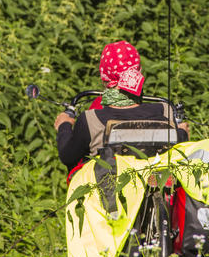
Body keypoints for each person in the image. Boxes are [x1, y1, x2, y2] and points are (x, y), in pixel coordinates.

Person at [54, 40, 189, 173]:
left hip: (109, 193)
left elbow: (68, 157)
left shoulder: (90, 120)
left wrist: (64, 125)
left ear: (104, 78)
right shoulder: (166, 111)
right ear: (139, 72)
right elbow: (180, 148)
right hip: (156, 191)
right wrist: (182, 132)